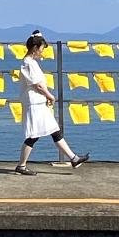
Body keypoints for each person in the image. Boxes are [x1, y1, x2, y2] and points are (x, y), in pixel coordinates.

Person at [15, 30, 89, 175]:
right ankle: (21, 166)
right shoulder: (29, 63)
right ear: (36, 48)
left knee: (54, 131)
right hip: (35, 104)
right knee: (33, 136)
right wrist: (50, 96)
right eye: (42, 48)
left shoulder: (30, 63)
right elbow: (38, 85)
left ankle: (73, 158)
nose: (43, 51)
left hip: (38, 103)